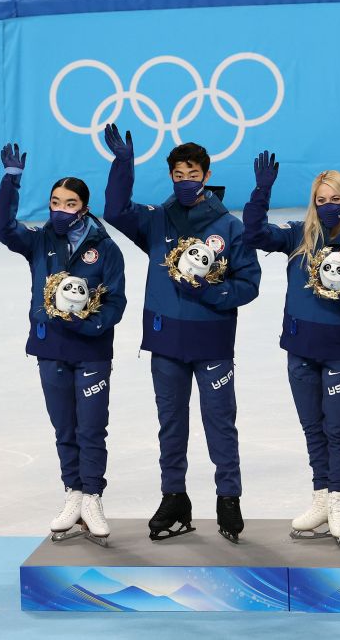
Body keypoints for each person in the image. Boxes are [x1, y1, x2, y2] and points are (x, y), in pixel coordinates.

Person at [102, 124, 262, 544]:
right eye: (178, 174)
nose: (186, 181)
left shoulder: (230, 227)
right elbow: (115, 210)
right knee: (170, 425)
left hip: (212, 343)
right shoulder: (156, 220)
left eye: (193, 174)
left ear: (206, 176)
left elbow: (249, 284)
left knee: (220, 424)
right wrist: (123, 164)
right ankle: (174, 498)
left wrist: (213, 290)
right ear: (171, 176)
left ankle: (229, 498)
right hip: (166, 342)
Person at [0, 144, 126, 545]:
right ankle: (73, 494)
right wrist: (11, 180)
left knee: (91, 428)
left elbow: (116, 303)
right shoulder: (39, 241)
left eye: (69, 203)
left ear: (84, 208)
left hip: (91, 351)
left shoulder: (106, 249)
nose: (60, 209)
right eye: (54, 202)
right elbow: (1, 226)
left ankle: (93, 498)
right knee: (64, 428)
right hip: (50, 350)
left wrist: (87, 323)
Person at [243, 159, 340, 545]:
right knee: (312, 427)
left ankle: (338, 498)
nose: (328, 205)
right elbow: (253, 234)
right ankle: (320, 496)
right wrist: (261, 192)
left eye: (336, 199)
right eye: (321, 199)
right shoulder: (299, 236)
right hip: (300, 347)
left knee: (338, 428)